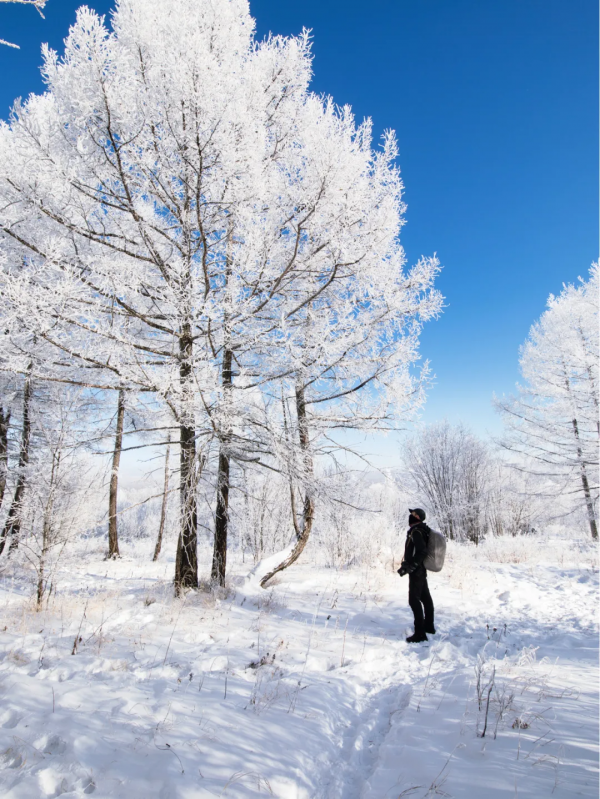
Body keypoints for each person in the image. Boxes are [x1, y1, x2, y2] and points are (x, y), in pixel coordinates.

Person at [398, 507, 435, 643]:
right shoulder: (420, 530)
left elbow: (421, 551)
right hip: (420, 569)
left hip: (417, 570)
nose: (410, 516)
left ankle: (420, 633)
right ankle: (429, 627)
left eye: (413, 514)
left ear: (418, 517)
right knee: (425, 598)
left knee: (414, 600)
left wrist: (411, 566)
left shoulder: (417, 532)